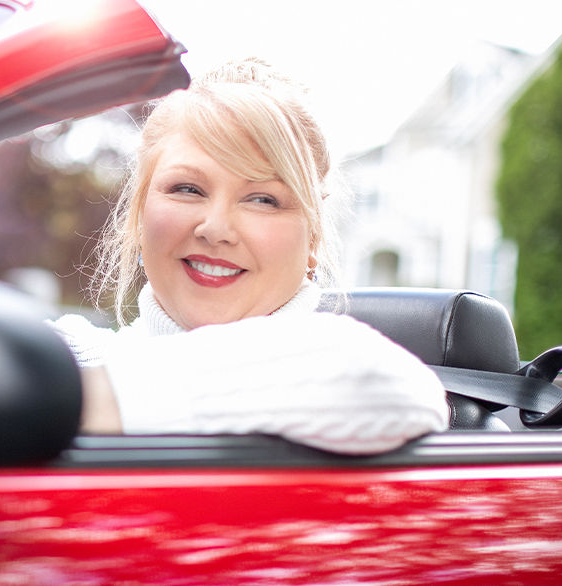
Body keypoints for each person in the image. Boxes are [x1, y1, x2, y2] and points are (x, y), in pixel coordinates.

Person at [52, 58, 448, 454]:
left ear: (312, 240)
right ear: (140, 216)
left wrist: (70, 400)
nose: (216, 228)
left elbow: (385, 385)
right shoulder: (71, 350)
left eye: (263, 199)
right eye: (188, 189)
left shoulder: (355, 367)